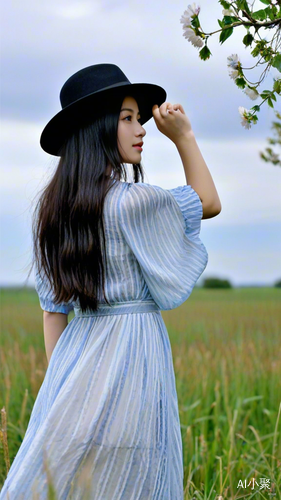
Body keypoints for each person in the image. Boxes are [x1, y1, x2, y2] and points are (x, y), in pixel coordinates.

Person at [0, 63, 221, 499]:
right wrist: (184, 138)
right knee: (136, 475)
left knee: (67, 476)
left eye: (139, 118)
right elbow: (209, 201)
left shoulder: (51, 214)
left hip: (74, 359)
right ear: (97, 128)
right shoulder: (134, 202)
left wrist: (63, 384)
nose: (141, 129)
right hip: (133, 355)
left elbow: (52, 310)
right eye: (127, 118)